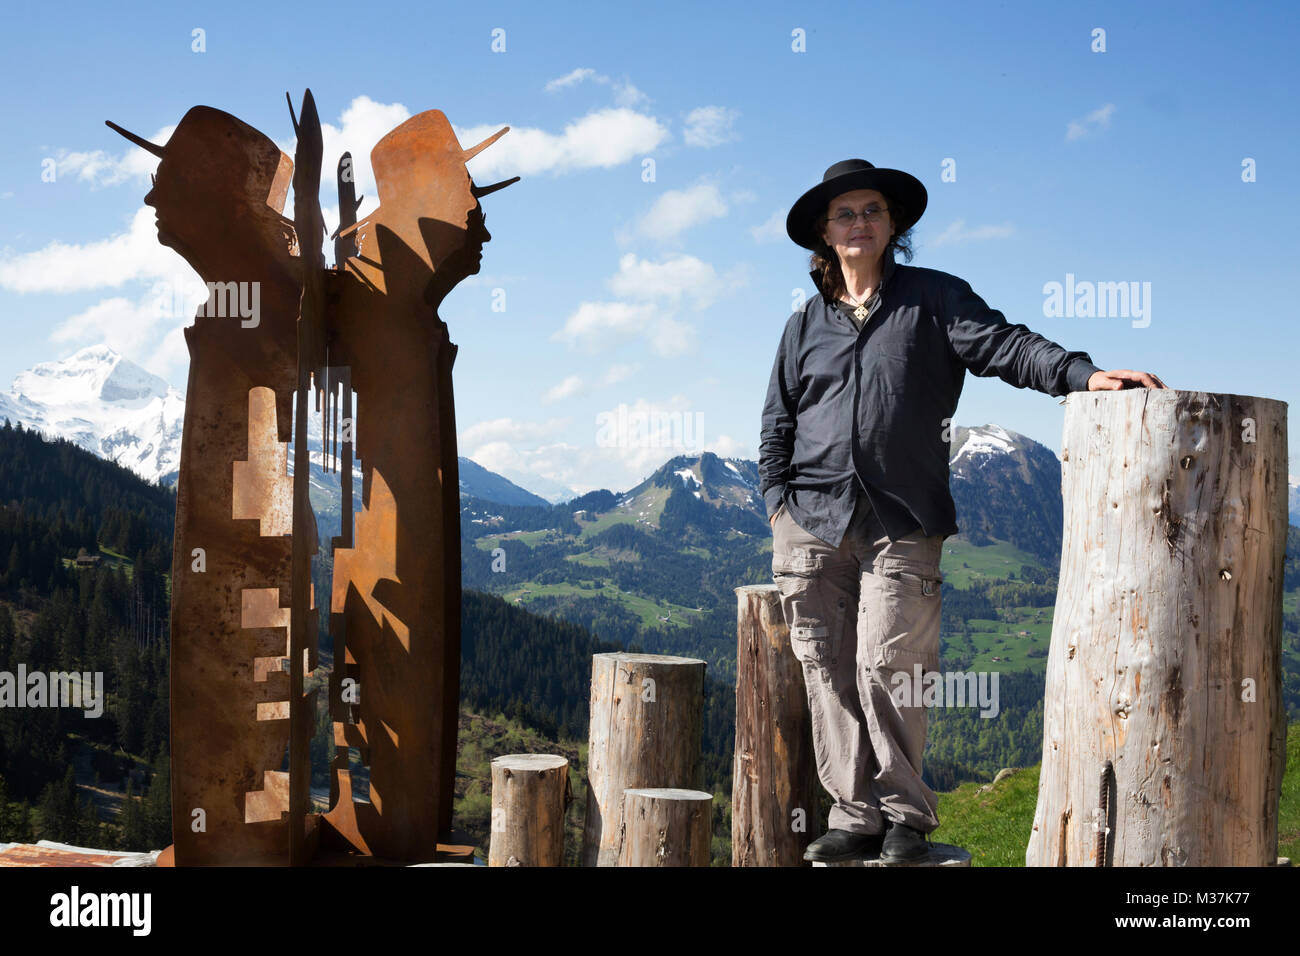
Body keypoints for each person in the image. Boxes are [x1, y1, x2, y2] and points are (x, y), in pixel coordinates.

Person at [759, 158, 1166, 864]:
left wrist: (1081, 376)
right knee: (826, 670)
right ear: (824, 235)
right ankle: (854, 817)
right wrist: (777, 510)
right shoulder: (803, 326)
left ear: (893, 226)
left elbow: (1005, 345)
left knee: (890, 669)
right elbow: (777, 425)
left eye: (872, 212)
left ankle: (905, 825)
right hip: (811, 526)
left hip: (902, 522)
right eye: (844, 215)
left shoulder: (934, 299)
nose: (859, 224)